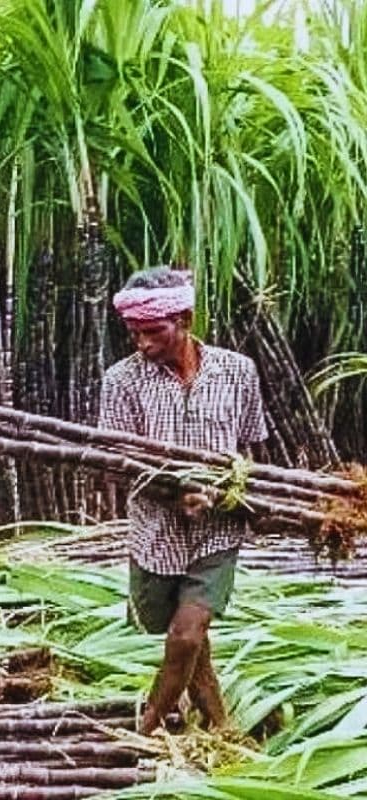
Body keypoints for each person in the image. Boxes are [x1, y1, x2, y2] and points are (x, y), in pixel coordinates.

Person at [98, 267, 268, 735]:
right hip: (156, 533)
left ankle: (147, 729)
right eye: (134, 334)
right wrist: (178, 495)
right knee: (186, 641)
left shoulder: (238, 371)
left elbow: (251, 447)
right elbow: (121, 462)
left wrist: (235, 496)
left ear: (186, 319)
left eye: (154, 332)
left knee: (186, 633)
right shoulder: (121, 381)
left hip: (219, 530)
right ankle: (222, 726)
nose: (143, 344)